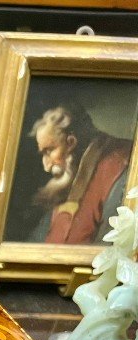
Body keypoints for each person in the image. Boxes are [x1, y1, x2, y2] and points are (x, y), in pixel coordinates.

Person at [27, 102, 132, 244]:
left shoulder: (119, 167)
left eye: (49, 151)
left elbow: (111, 249)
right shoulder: (69, 177)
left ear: (71, 143)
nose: (46, 166)